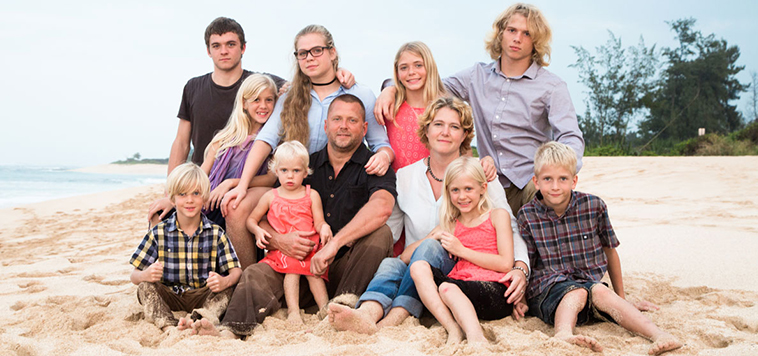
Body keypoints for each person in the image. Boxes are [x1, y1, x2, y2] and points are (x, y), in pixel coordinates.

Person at [190, 94, 397, 338]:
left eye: (352, 121)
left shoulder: (374, 164)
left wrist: (334, 245)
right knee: (255, 272)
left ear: (364, 129)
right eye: (337, 119)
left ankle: (344, 306)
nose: (343, 126)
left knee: (381, 234)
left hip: (344, 267)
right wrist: (280, 240)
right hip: (297, 266)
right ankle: (231, 329)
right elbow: (270, 206)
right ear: (325, 125)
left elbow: (382, 206)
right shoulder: (305, 166)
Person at [328, 97, 530, 335]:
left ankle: (398, 315)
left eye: (454, 127)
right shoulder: (404, 177)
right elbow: (390, 234)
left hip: (463, 270)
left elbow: (509, 225)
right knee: (391, 262)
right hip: (419, 270)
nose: (445, 132)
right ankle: (368, 313)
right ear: (426, 130)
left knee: (431, 248)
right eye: (438, 124)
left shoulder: (479, 174)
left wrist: (521, 268)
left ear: (464, 135)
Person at [374, 3, 585, 215]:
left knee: (547, 199)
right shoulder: (476, 76)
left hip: (530, 181)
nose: (517, 38)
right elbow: (429, 86)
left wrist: (557, 174)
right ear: (501, 33)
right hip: (488, 181)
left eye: (527, 33)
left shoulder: (552, 86)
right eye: (512, 30)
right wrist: (390, 87)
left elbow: (570, 137)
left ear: (536, 41)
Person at [221, 24, 393, 269]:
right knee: (236, 208)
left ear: (332, 52)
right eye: (302, 53)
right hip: (293, 184)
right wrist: (243, 185)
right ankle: (248, 279)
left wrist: (385, 156)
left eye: (316, 51)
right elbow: (265, 140)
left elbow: (380, 143)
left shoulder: (359, 94)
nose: (309, 57)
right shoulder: (290, 96)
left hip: (337, 186)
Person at [519, 142, 682, 355]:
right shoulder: (527, 215)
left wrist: (621, 296)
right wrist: (521, 300)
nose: (555, 186)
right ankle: (563, 334)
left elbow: (610, 251)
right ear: (536, 181)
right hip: (548, 290)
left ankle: (658, 334)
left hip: (589, 283)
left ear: (574, 180)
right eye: (547, 179)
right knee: (575, 292)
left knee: (600, 291)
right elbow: (525, 263)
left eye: (563, 179)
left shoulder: (594, 206)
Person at [147, 17, 286, 225]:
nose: (224, 51)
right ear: (208, 50)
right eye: (216, 46)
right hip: (203, 178)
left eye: (231, 44)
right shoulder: (193, 87)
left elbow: (303, 86)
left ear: (243, 48)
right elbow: (182, 142)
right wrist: (171, 193)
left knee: (232, 207)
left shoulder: (260, 84)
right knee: (160, 216)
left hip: (248, 181)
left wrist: (338, 73)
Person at [409, 156, 516, 345]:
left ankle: (476, 338)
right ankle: (453, 328)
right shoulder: (450, 224)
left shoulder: (497, 216)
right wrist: (430, 238)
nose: (462, 196)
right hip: (458, 287)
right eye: (455, 190)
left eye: (468, 189)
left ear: (483, 188)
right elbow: (405, 257)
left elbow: (505, 264)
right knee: (418, 268)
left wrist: (462, 250)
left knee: (447, 288)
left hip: (493, 290)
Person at [129, 163, 241, 330]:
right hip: (170, 294)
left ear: (204, 197)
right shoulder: (159, 232)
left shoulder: (216, 233)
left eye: (196, 193)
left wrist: (224, 281)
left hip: (202, 295)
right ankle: (167, 325)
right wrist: (146, 274)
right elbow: (134, 276)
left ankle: (198, 319)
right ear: (173, 199)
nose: (190, 200)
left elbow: (236, 271)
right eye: (182, 194)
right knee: (145, 288)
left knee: (229, 291)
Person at [246, 141, 332, 325]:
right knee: (292, 272)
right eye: (284, 170)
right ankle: (293, 312)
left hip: (309, 246)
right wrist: (258, 232)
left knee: (314, 273)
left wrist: (324, 227)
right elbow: (251, 220)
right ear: (276, 171)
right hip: (284, 250)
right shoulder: (271, 196)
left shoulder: (311, 195)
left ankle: (325, 309)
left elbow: (319, 222)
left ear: (306, 171)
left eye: (296, 171)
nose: (290, 176)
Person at [198, 74, 279, 231]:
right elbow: (201, 174)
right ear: (244, 103)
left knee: (229, 208)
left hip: (238, 198)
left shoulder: (273, 142)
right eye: (256, 100)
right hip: (210, 198)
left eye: (269, 100)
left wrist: (230, 183)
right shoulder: (224, 138)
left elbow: (270, 179)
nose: (263, 105)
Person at [385, 41, 446, 171]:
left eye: (418, 65)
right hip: (397, 187)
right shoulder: (391, 108)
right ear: (397, 73)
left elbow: (463, 153)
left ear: (429, 67)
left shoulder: (444, 111)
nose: (411, 72)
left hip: (435, 186)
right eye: (404, 68)